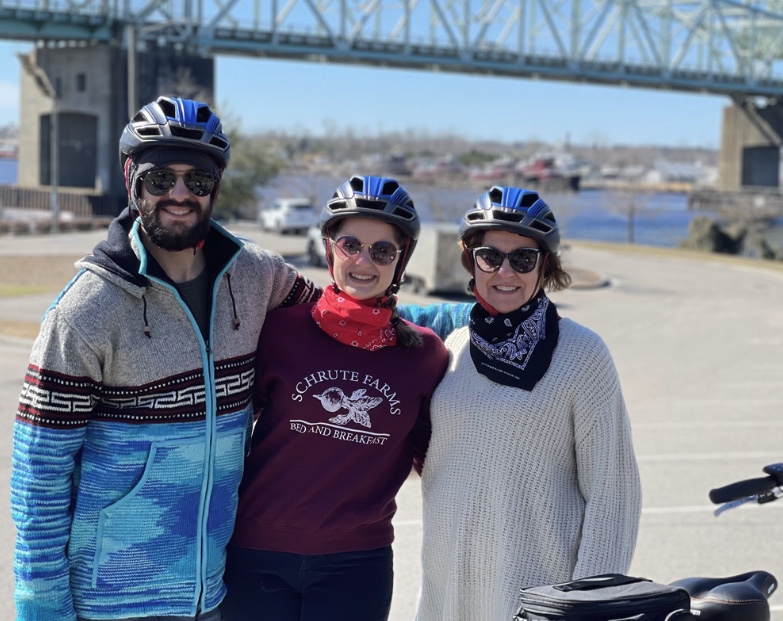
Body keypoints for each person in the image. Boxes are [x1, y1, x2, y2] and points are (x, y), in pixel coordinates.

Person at [11, 96, 319, 621]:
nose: (179, 194)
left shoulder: (257, 275)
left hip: (210, 594)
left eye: (197, 180)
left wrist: (474, 321)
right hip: (109, 602)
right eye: (161, 179)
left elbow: (346, 317)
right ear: (132, 178)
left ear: (215, 187)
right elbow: (38, 475)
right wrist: (42, 609)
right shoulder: (87, 310)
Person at [401, 186, 642, 621]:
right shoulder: (454, 348)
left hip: (537, 603)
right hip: (448, 597)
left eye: (523, 259)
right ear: (471, 261)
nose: (504, 270)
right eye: (490, 256)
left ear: (544, 265)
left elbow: (614, 495)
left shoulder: (582, 354)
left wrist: (585, 606)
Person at [221, 175, 449, 621]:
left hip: (355, 565)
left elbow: (437, 455)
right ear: (329, 248)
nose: (364, 261)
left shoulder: (424, 355)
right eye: (351, 244)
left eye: (382, 250)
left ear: (401, 259)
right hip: (256, 551)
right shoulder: (281, 329)